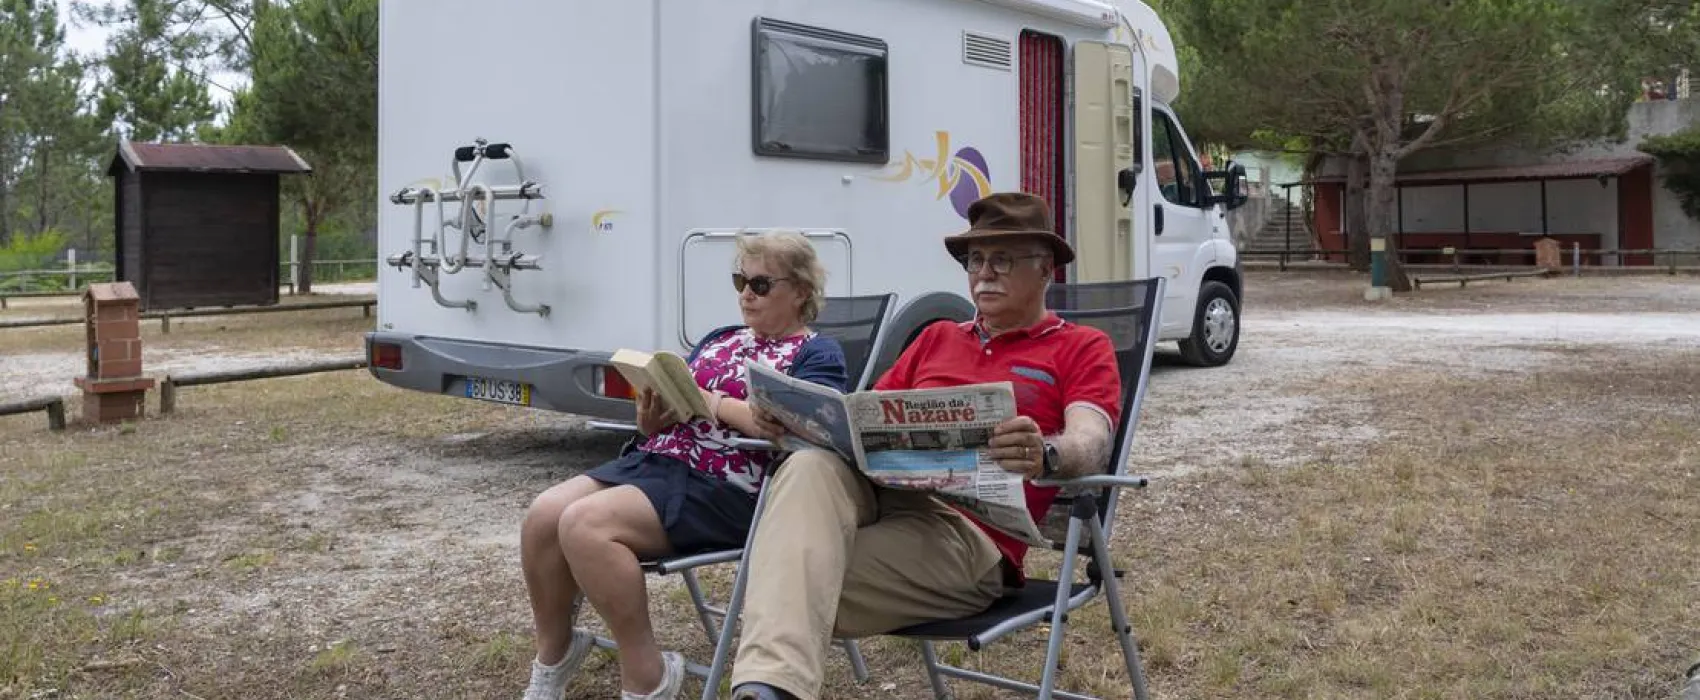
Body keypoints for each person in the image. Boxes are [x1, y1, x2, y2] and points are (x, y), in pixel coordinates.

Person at [727, 192, 1124, 700]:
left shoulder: (1079, 347)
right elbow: (861, 417)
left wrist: (1046, 453)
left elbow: (1091, 439)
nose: (984, 273)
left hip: (969, 539)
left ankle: (765, 688)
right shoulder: (937, 337)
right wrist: (796, 420)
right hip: (887, 502)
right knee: (809, 468)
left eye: (1002, 259)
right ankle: (767, 693)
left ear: (1045, 268)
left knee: (781, 581)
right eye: (975, 260)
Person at [518, 230, 850, 700]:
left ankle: (647, 673)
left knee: (584, 526)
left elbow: (801, 430)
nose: (745, 295)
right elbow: (692, 410)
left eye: (760, 284)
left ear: (799, 291)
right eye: (740, 281)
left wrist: (711, 402)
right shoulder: (721, 339)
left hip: (730, 487)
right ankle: (555, 653)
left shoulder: (816, 354)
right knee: (543, 516)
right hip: (661, 460)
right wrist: (653, 418)